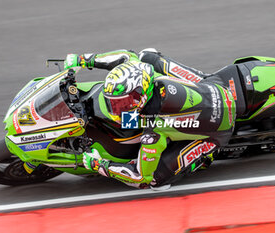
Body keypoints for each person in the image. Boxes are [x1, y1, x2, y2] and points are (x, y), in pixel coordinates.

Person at [64, 49, 236, 189]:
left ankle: (204, 158)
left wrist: (99, 165)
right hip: (214, 86)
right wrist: (84, 60)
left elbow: (141, 177)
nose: (116, 108)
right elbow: (125, 56)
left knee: (154, 180)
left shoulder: (152, 128)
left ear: (141, 94)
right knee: (147, 56)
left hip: (217, 131)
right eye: (114, 103)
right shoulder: (145, 75)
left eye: (124, 102)